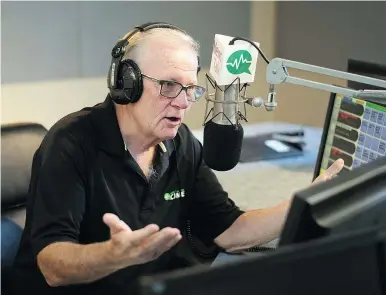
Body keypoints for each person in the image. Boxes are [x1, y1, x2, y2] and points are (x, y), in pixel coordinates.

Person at [11, 22, 344, 295]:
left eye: (191, 89)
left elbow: (228, 230)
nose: (184, 102)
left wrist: (308, 201)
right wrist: (112, 255)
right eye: (170, 86)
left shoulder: (181, 143)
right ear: (127, 84)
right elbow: (52, 265)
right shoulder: (71, 143)